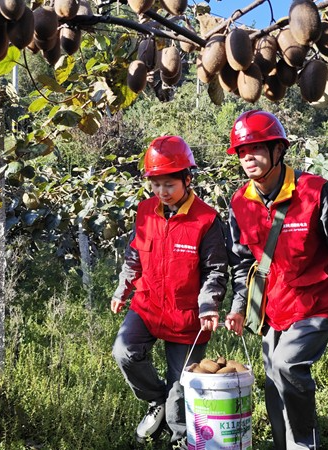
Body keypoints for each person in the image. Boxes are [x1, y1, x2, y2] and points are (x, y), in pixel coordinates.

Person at [223, 110, 328, 450]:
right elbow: (242, 264)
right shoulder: (240, 203)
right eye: (241, 151)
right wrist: (239, 306)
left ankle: (305, 444)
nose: (248, 157)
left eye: (257, 148)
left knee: (286, 364)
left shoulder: (315, 192)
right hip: (274, 305)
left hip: (319, 300)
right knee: (272, 379)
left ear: (279, 150)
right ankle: (285, 445)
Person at [111, 135, 228, 450]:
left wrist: (209, 306)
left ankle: (180, 440)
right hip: (147, 305)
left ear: (187, 180)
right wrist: (124, 287)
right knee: (124, 353)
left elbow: (215, 270)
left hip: (186, 315)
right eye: (156, 184)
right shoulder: (146, 210)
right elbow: (135, 253)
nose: (161, 192)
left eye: (169, 185)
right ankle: (154, 399)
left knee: (181, 390)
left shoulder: (206, 220)